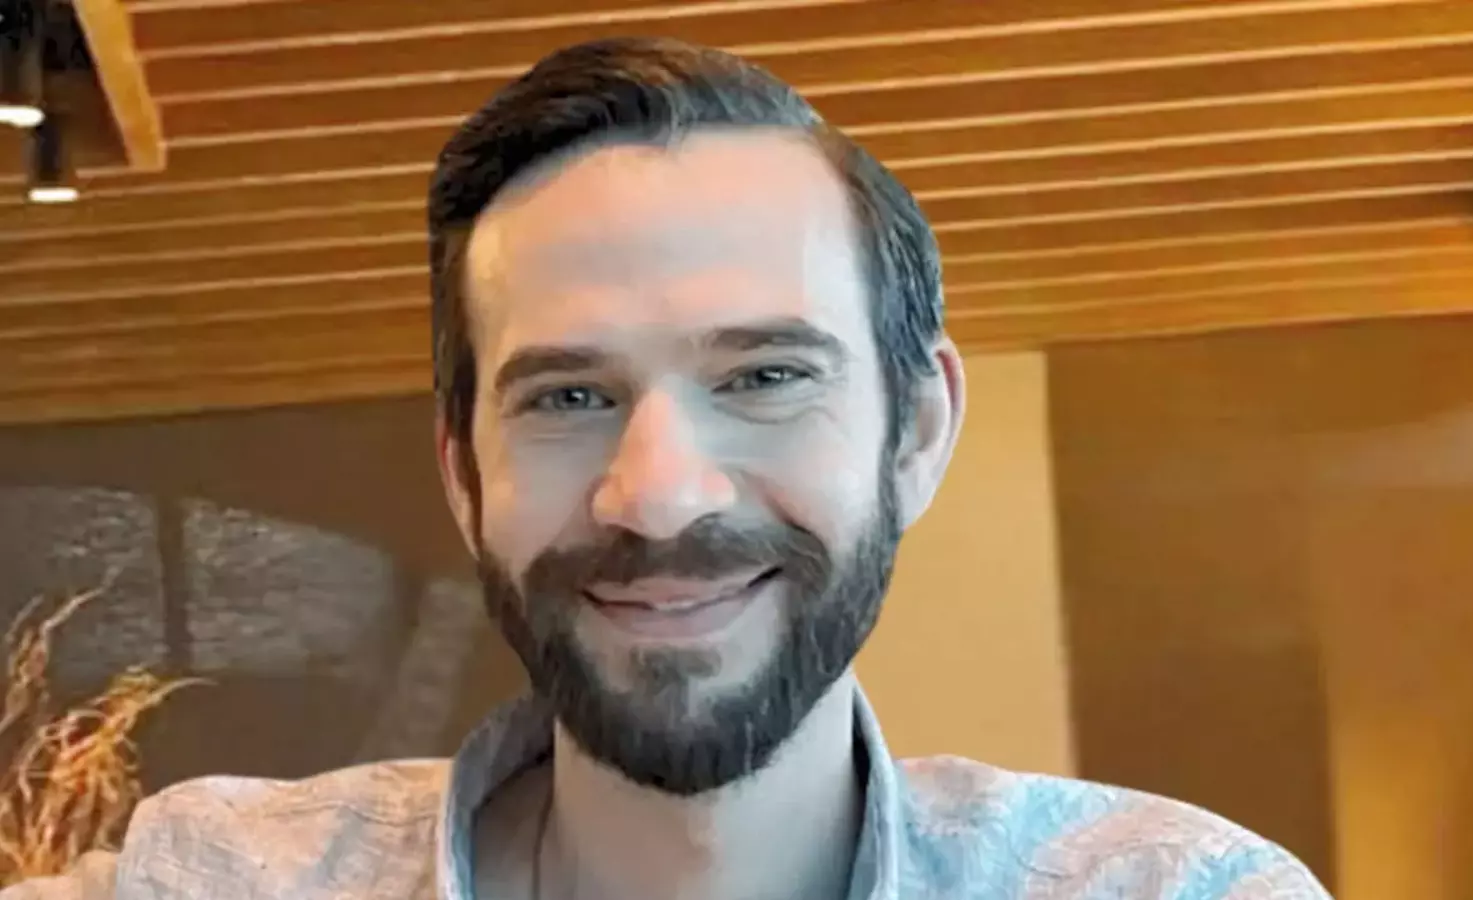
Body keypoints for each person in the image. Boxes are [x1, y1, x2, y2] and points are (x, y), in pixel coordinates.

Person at [3, 37, 1331, 900]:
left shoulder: (1169, 891)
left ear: (917, 428)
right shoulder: (219, 882)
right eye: (569, 397)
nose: (657, 493)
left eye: (763, 377)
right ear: (464, 474)